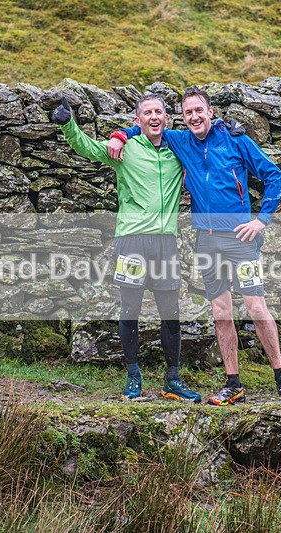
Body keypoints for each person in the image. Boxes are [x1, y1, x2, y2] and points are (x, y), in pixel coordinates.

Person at [108, 88, 281, 406]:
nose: (194, 117)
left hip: (240, 238)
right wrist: (120, 135)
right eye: (188, 113)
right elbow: (147, 126)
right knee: (221, 312)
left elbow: (274, 176)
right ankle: (233, 384)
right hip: (207, 240)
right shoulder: (180, 141)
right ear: (182, 118)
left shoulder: (235, 139)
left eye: (199, 110)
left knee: (256, 307)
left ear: (211, 112)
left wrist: (261, 220)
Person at [51, 94, 201, 403]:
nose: (153, 116)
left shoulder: (179, 150)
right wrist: (68, 124)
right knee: (130, 309)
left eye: (158, 111)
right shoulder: (126, 149)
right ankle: (133, 375)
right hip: (131, 241)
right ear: (138, 120)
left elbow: (207, 133)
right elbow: (87, 148)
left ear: (167, 118)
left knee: (171, 313)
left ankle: (173, 379)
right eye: (147, 113)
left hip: (165, 242)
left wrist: (229, 127)